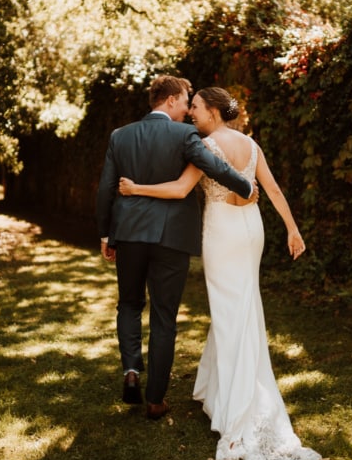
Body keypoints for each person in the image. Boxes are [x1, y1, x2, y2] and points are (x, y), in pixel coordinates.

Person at [118, 86, 322, 460]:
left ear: (212, 111)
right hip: (252, 231)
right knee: (243, 306)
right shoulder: (251, 144)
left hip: (224, 233)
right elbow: (273, 189)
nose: (191, 112)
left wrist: (135, 188)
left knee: (230, 313)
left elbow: (180, 189)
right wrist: (293, 230)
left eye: (196, 107)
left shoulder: (207, 146)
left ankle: (235, 409)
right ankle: (216, 390)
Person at [96, 75, 256, 421]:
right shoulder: (185, 135)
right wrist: (244, 185)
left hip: (130, 234)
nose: (187, 108)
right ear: (170, 100)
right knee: (165, 316)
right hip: (172, 238)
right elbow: (213, 166)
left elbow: (105, 189)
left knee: (129, 303)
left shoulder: (120, 136)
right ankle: (155, 400)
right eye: (185, 100)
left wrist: (107, 235)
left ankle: (131, 369)